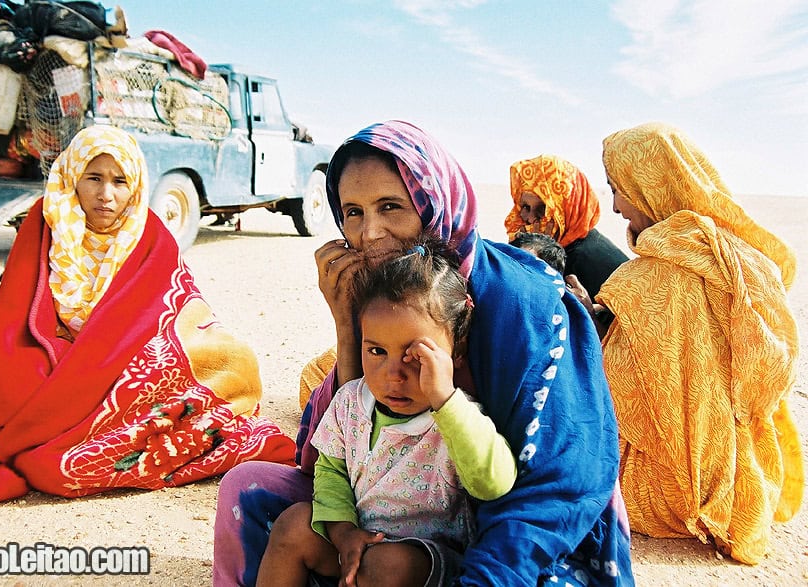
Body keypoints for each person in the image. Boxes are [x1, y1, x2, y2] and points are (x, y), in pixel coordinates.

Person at [214, 120, 633, 586]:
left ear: (435, 202)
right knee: (248, 490)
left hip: (509, 522)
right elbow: (328, 459)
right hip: (382, 513)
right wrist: (346, 324)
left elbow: (560, 483)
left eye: (390, 206)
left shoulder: (527, 303)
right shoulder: (384, 294)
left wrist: (486, 577)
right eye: (352, 212)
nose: (370, 233)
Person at [0, 125, 296, 509]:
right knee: (38, 443)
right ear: (73, 176)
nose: (106, 195)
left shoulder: (150, 232)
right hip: (55, 361)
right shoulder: (45, 222)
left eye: (120, 181)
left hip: (125, 362)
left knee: (235, 363)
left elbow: (174, 309)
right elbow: (11, 323)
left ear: (135, 185)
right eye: (94, 179)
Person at [594, 122, 802, 565]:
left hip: (663, 490)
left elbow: (614, 382)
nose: (614, 206)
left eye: (619, 189)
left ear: (651, 184)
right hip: (741, 474)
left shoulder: (651, 279)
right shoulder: (739, 255)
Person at [257, 241, 517, 587]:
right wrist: (343, 532)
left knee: (388, 565)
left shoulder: (458, 416)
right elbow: (331, 471)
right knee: (294, 524)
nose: (393, 374)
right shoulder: (350, 401)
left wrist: (445, 399)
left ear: (457, 348)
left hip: (422, 558)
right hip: (357, 538)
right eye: (377, 350)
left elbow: (494, 483)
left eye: (415, 354)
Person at [505, 154, 628, 301]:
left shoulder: (585, 259)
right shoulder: (565, 249)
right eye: (525, 206)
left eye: (543, 208)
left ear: (567, 209)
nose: (530, 218)